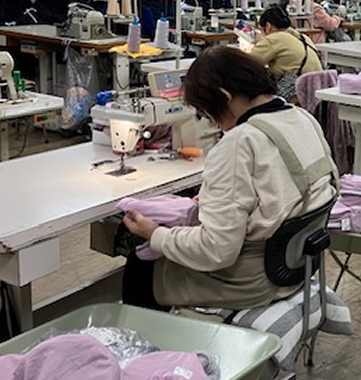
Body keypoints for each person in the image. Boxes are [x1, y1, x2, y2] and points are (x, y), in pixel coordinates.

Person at [121, 47, 339, 311]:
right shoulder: (302, 117)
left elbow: (217, 250)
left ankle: (149, 336)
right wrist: (217, 199)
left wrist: (155, 234)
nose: (213, 123)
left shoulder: (240, 141)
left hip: (251, 282)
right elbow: (279, 191)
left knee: (139, 265)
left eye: (207, 114)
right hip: (297, 268)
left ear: (224, 97)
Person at [251, 5, 323, 101]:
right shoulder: (302, 37)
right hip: (315, 90)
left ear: (268, 26)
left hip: (297, 94)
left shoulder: (274, 38)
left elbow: (250, 63)